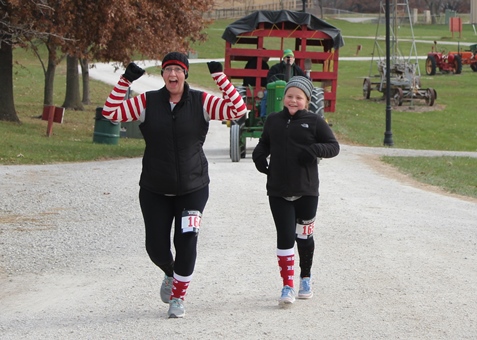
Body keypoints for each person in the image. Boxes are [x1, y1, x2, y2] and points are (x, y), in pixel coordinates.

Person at [102, 52, 247, 318]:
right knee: (156, 247)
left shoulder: (202, 102)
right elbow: (111, 113)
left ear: (185, 74)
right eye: (168, 70)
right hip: (155, 188)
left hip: (193, 188)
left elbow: (239, 111)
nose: (172, 75)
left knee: (187, 241)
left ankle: (178, 297)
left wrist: (220, 77)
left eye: (178, 70)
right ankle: (171, 273)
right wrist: (125, 80)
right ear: (163, 75)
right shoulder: (147, 102)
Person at [252, 76, 339, 307]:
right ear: (284, 98)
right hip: (278, 190)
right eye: (290, 96)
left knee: (304, 236)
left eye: (298, 97)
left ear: (307, 101)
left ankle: (306, 278)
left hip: (307, 191)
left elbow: (334, 146)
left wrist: (314, 149)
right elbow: (264, 143)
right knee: (285, 237)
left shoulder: (314, 121)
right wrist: (258, 156)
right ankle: (287, 285)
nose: (293, 100)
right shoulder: (273, 120)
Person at [260, 49, 306, 118]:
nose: (289, 59)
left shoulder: (297, 69)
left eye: (291, 57)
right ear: (283, 58)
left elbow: (303, 79)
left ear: (293, 58)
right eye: (287, 57)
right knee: (266, 94)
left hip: (293, 90)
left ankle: (301, 116)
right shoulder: (275, 68)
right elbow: (270, 78)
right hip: (277, 89)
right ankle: (263, 116)